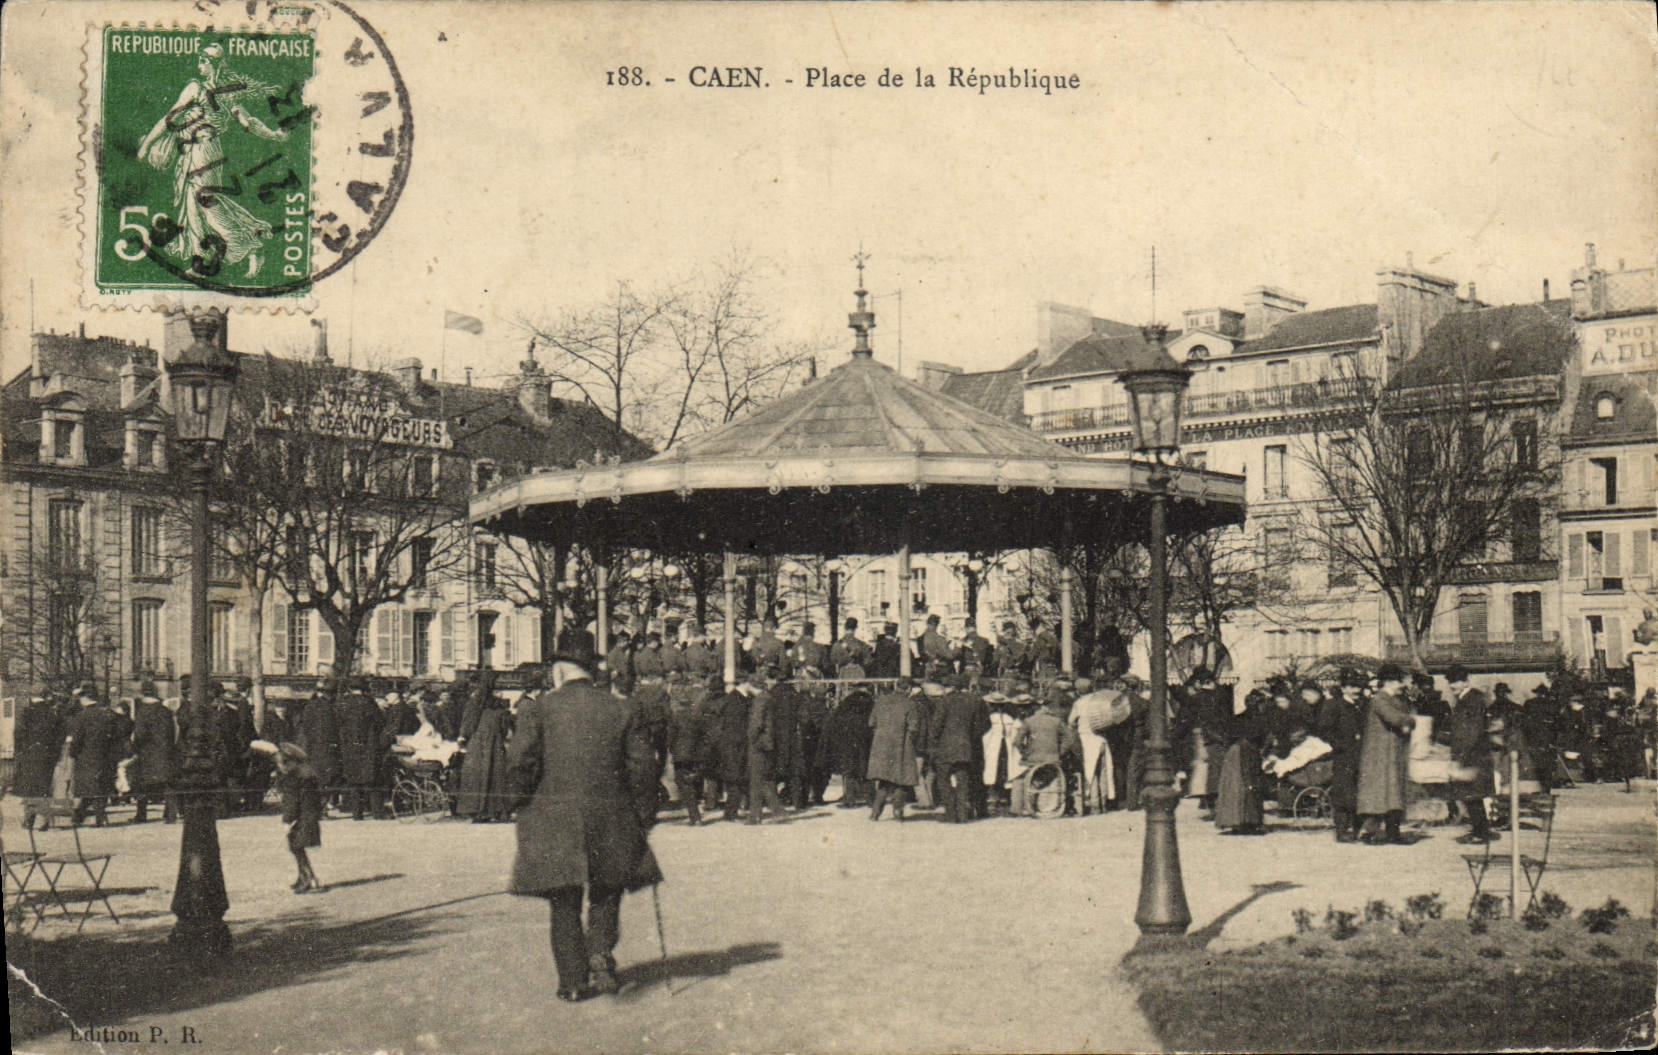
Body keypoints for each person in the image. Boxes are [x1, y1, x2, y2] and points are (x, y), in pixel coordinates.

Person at [506, 647, 662, 1003]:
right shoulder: (621, 708)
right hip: (611, 816)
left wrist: (518, 800)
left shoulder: (539, 708)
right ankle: (600, 952)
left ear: (560, 670)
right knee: (607, 891)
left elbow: (520, 761)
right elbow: (643, 767)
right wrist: (644, 815)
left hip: (555, 819)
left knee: (563, 901)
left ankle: (573, 982)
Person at [135, 41, 288, 279]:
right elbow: (248, 122)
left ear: (214, 64)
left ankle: (250, 245)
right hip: (203, 152)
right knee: (195, 206)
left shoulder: (196, 88)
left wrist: (145, 146)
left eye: (203, 61)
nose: (199, 65)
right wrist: (274, 136)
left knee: (205, 204)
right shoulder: (226, 93)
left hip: (201, 152)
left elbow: (169, 119)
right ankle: (201, 262)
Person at [253, 741, 325, 894]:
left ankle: (309, 879)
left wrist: (287, 821)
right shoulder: (306, 773)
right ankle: (304, 877)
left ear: (290, 762)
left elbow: (291, 802)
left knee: (297, 847)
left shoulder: (293, 779)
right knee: (297, 847)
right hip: (308, 816)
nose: (280, 767)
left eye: (281, 764)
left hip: (300, 819)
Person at [1356, 664, 1416, 845]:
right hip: (1380, 757)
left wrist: (1407, 722)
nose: (1402, 685)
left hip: (1392, 755)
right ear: (1389, 681)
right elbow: (1396, 719)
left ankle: (1393, 833)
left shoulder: (1395, 700)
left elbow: (1405, 720)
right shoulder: (1379, 700)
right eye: (1400, 681)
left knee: (1393, 796)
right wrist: (1409, 721)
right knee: (1380, 796)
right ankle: (1368, 833)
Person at [1444, 665, 1496, 844]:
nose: (1452, 686)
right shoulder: (1467, 699)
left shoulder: (1471, 700)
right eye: (1450, 682)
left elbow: (1471, 732)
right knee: (1472, 796)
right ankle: (1479, 831)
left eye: (1456, 682)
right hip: (1472, 754)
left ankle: (1481, 834)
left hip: (1472, 755)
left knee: (1473, 796)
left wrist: (1459, 757)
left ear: (1465, 681)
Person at [1316, 669, 1368, 842]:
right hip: (1343, 756)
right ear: (1344, 688)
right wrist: (1340, 745)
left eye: (1358, 687)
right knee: (1343, 793)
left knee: (1358, 792)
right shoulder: (1333, 705)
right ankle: (1342, 831)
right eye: (1352, 687)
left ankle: (1357, 829)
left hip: (1360, 755)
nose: (1356, 690)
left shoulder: (1361, 705)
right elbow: (1324, 730)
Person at [931, 674, 990, 822]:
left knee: (943, 780)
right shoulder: (974, 701)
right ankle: (963, 815)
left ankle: (951, 814)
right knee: (963, 781)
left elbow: (936, 726)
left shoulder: (944, 701)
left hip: (945, 748)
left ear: (951, 686)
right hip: (966, 747)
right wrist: (970, 738)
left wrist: (935, 740)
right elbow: (981, 725)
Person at [456, 672, 514, 822]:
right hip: (495, 742)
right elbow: (504, 726)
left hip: (479, 742)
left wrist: (463, 736)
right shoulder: (498, 705)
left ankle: (477, 810)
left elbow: (468, 722)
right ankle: (496, 810)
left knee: (477, 775)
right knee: (496, 775)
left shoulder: (475, 702)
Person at [1015, 689, 1081, 817]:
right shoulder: (1056, 721)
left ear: (1035, 706)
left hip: (1033, 760)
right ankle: (1064, 806)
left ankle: (1018, 808)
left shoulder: (1029, 721)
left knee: (1020, 779)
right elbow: (1070, 738)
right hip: (1053, 758)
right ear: (1046, 706)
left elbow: (1017, 741)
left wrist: (1025, 752)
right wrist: (1060, 751)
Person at [1212, 687, 1269, 835]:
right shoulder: (1260, 719)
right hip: (1247, 753)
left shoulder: (1239, 718)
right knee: (1249, 785)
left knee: (1235, 786)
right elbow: (1260, 738)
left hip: (1234, 753)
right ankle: (1250, 821)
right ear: (1259, 704)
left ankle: (1235, 821)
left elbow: (1227, 735)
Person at [65, 686, 124, 826]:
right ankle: (97, 817)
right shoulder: (108, 714)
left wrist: (72, 754)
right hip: (105, 756)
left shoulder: (81, 716)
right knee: (100, 787)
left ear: (84, 698)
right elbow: (117, 735)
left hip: (86, 757)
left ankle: (83, 816)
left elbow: (77, 740)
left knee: (89, 787)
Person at [742, 669, 793, 824]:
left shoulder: (759, 701)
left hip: (759, 744)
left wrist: (750, 737)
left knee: (758, 779)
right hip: (768, 743)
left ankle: (765, 813)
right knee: (764, 779)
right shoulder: (768, 698)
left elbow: (756, 725)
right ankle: (761, 814)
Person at [867, 679, 922, 820]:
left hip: (881, 746)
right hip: (902, 745)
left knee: (884, 780)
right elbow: (914, 727)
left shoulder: (881, 701)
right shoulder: (910, 704)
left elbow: (871, 722)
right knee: (902, 780)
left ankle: (875, 812)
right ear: (908, 688)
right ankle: (898, 811)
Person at [14, 688, 65, 830]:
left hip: (29, 755)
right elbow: (61, 735)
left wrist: (20, 752)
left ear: (32, 696)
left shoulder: (26, 713)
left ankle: (29, 819)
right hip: (47, 757)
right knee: (44, 787)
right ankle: (44, 820)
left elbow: (18, 733)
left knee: (29, 788)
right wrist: (54, 754)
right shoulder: (53, 713)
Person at [129, 681, 178, 824]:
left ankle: (141, 814)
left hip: (147, 753)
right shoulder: (165, 711)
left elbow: (140, 734)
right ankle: (170, 815)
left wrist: (134, 746)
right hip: (166, 751)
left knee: (141, 784)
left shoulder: (143, 712)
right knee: (168, 784)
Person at [336, 678, 386, 820]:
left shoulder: (342, 703)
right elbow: (380, 722)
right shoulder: (369, 703)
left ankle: (357, 814)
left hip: (349, 747)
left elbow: (338, 723)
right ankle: (377, 813)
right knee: (373, 780)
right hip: (368, 747)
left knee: (353, 781)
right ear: (363, 690)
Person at [825, 685, 876, 808]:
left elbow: (835, 722)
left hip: (848, 741)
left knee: (849, 771)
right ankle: (870, 799)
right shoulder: (870, 703)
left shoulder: (846, 704)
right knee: (866, 769)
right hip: (865, 740)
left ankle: (850, 799)